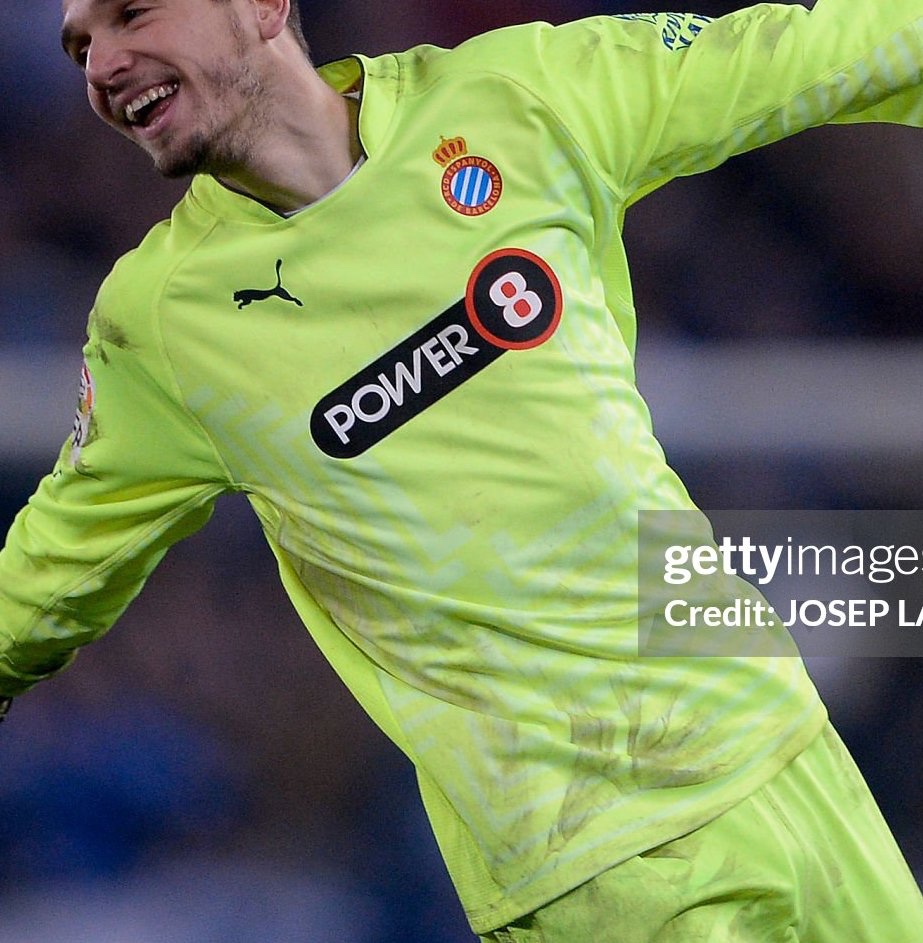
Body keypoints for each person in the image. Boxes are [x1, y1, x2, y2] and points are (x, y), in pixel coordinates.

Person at [3, 0, 923, 939]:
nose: (103, 64)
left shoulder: (517, 99)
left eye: (131, 15)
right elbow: (48, 570)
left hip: (783, 748)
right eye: (80, 47)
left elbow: (810, 54)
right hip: (595, 855)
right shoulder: (165, 321)